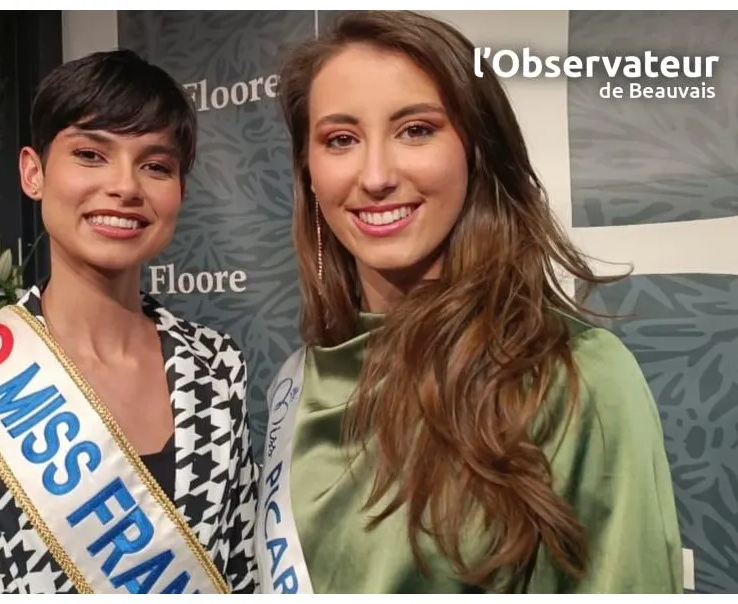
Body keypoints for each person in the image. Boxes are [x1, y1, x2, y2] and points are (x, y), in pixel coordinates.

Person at [256, 10, 683, 595]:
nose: (375, 174)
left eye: (416, 130)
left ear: (476, 151)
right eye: (341, 139)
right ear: (309, 172)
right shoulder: (298, 381)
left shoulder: (574, 375)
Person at [0, 49, 259, 594]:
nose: (126, 187)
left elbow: (243, 572)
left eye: (156, 165)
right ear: (33, 172)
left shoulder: (218, 364)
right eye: (91, 154)